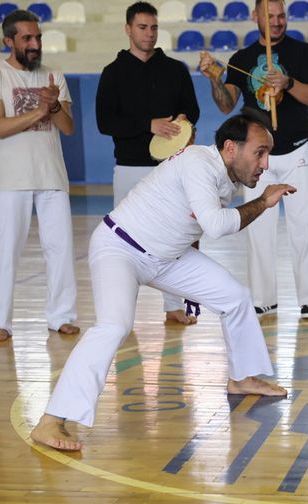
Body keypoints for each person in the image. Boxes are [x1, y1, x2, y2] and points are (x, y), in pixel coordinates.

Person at [30, 111, 290, 451]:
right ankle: (52, 420)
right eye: (260, 152)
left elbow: (192, 223)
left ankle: (243, 377)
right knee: (113, 326)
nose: (265, 163)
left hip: (168, 256)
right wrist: (263, 202)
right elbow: (215, 225)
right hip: (120, 247)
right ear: (230, 147)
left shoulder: (225, 174)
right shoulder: (199, 163)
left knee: (235, 296)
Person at [198, 0, 308, 321]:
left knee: (304, 227)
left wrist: (289, 83)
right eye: (270, 17)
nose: (278, 22)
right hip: (257, 159)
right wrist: (214, 78)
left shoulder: (303, 53)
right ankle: (264, 298)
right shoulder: (241, 59)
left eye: (282, 16)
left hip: (297, 150)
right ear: (256, 17)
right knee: (258, 230)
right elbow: (226, 105)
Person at [0, 10, 80, 342]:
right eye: (27, 39)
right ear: (9, 41)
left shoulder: (54, 76)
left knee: (60, 249)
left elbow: (68, 128)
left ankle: (62, 315)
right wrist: (40, 109)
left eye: (38, 38)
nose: (35, 44)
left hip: (52, 177)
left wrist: (54, 107)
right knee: (6, 249)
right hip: (10, 179)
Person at [96, 1, 201, 325]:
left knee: (177, 236)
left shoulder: (175, 69)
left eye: (153, 27)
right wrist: (148, 124)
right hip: (129, 166)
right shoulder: (112, 73)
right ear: (128, 29)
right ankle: (120, 311)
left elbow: (192, 111)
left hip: (171, 166)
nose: (149, 33)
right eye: (142, 27)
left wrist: (183, 120)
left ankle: (175, 305)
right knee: (126, 241)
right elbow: (105, 122)